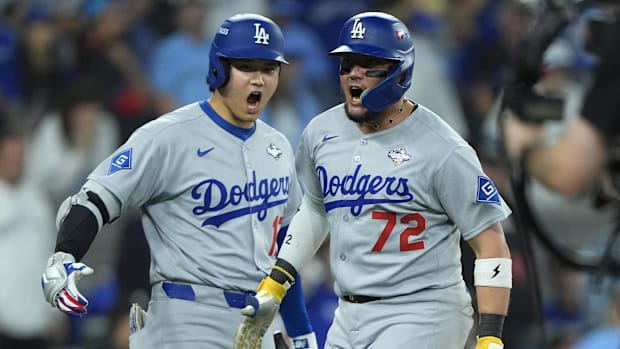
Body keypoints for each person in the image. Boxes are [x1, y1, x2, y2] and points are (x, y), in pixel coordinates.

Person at [234, 11, 513, 349]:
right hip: (347, 312)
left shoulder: (444, 148)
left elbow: (492, 245)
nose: (354, 74)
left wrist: (491, 338)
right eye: (347, 63)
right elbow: (315, 209)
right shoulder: (321, 133)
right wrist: (277, 282)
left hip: (422, 311)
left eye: (368, 64)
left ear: (399, 72)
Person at [41, 13, 317, 349]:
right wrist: (65, 253)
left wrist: (301, 330)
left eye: (269, 68)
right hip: (187, 316)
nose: (258, 79)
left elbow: (287, 247)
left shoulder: (278, 145)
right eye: (247, 67)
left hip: (259, 319)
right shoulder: (169, 136)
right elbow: (96, 197)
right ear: (220, 69)